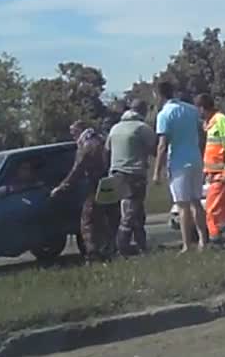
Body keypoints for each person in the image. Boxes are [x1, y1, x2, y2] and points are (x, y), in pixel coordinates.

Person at [152, 79, 208, 253]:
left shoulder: (164, 115)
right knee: (196, 202)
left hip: (178, 162)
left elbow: (162, 145)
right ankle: (203, 240)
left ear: (159, 95)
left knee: (182, 205)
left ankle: (186, 244)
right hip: (195, 158)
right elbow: (201, 133)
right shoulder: (191, 110)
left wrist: (156, 171)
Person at [51, 127, 113, 262]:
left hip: (96, 185)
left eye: (73, 133)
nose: (73, 136)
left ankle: (92, 254)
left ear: (80, 131)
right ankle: (110, 249)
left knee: (88, 221)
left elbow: (77, 170)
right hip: (110, 182)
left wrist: (61, 188)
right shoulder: (102, 139)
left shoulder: (86, 145)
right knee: (107, 218)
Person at [106, 98, 156, 254]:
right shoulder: (142, 128)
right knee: (131, 212)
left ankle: (142, 244)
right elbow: (155, 149)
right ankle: (122, 245)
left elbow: (107, 149)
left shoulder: (115, 128)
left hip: (116, 173)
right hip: (135, 174)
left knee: (133, 210)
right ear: (143, 111)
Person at [195, 93, 225, 243]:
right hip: (217, 174)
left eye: (198, 109)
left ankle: (216, 241)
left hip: (223, 175)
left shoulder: (221, 121)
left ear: (202, 108)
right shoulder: (211, 124)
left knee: (212, 210)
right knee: (221, 212)